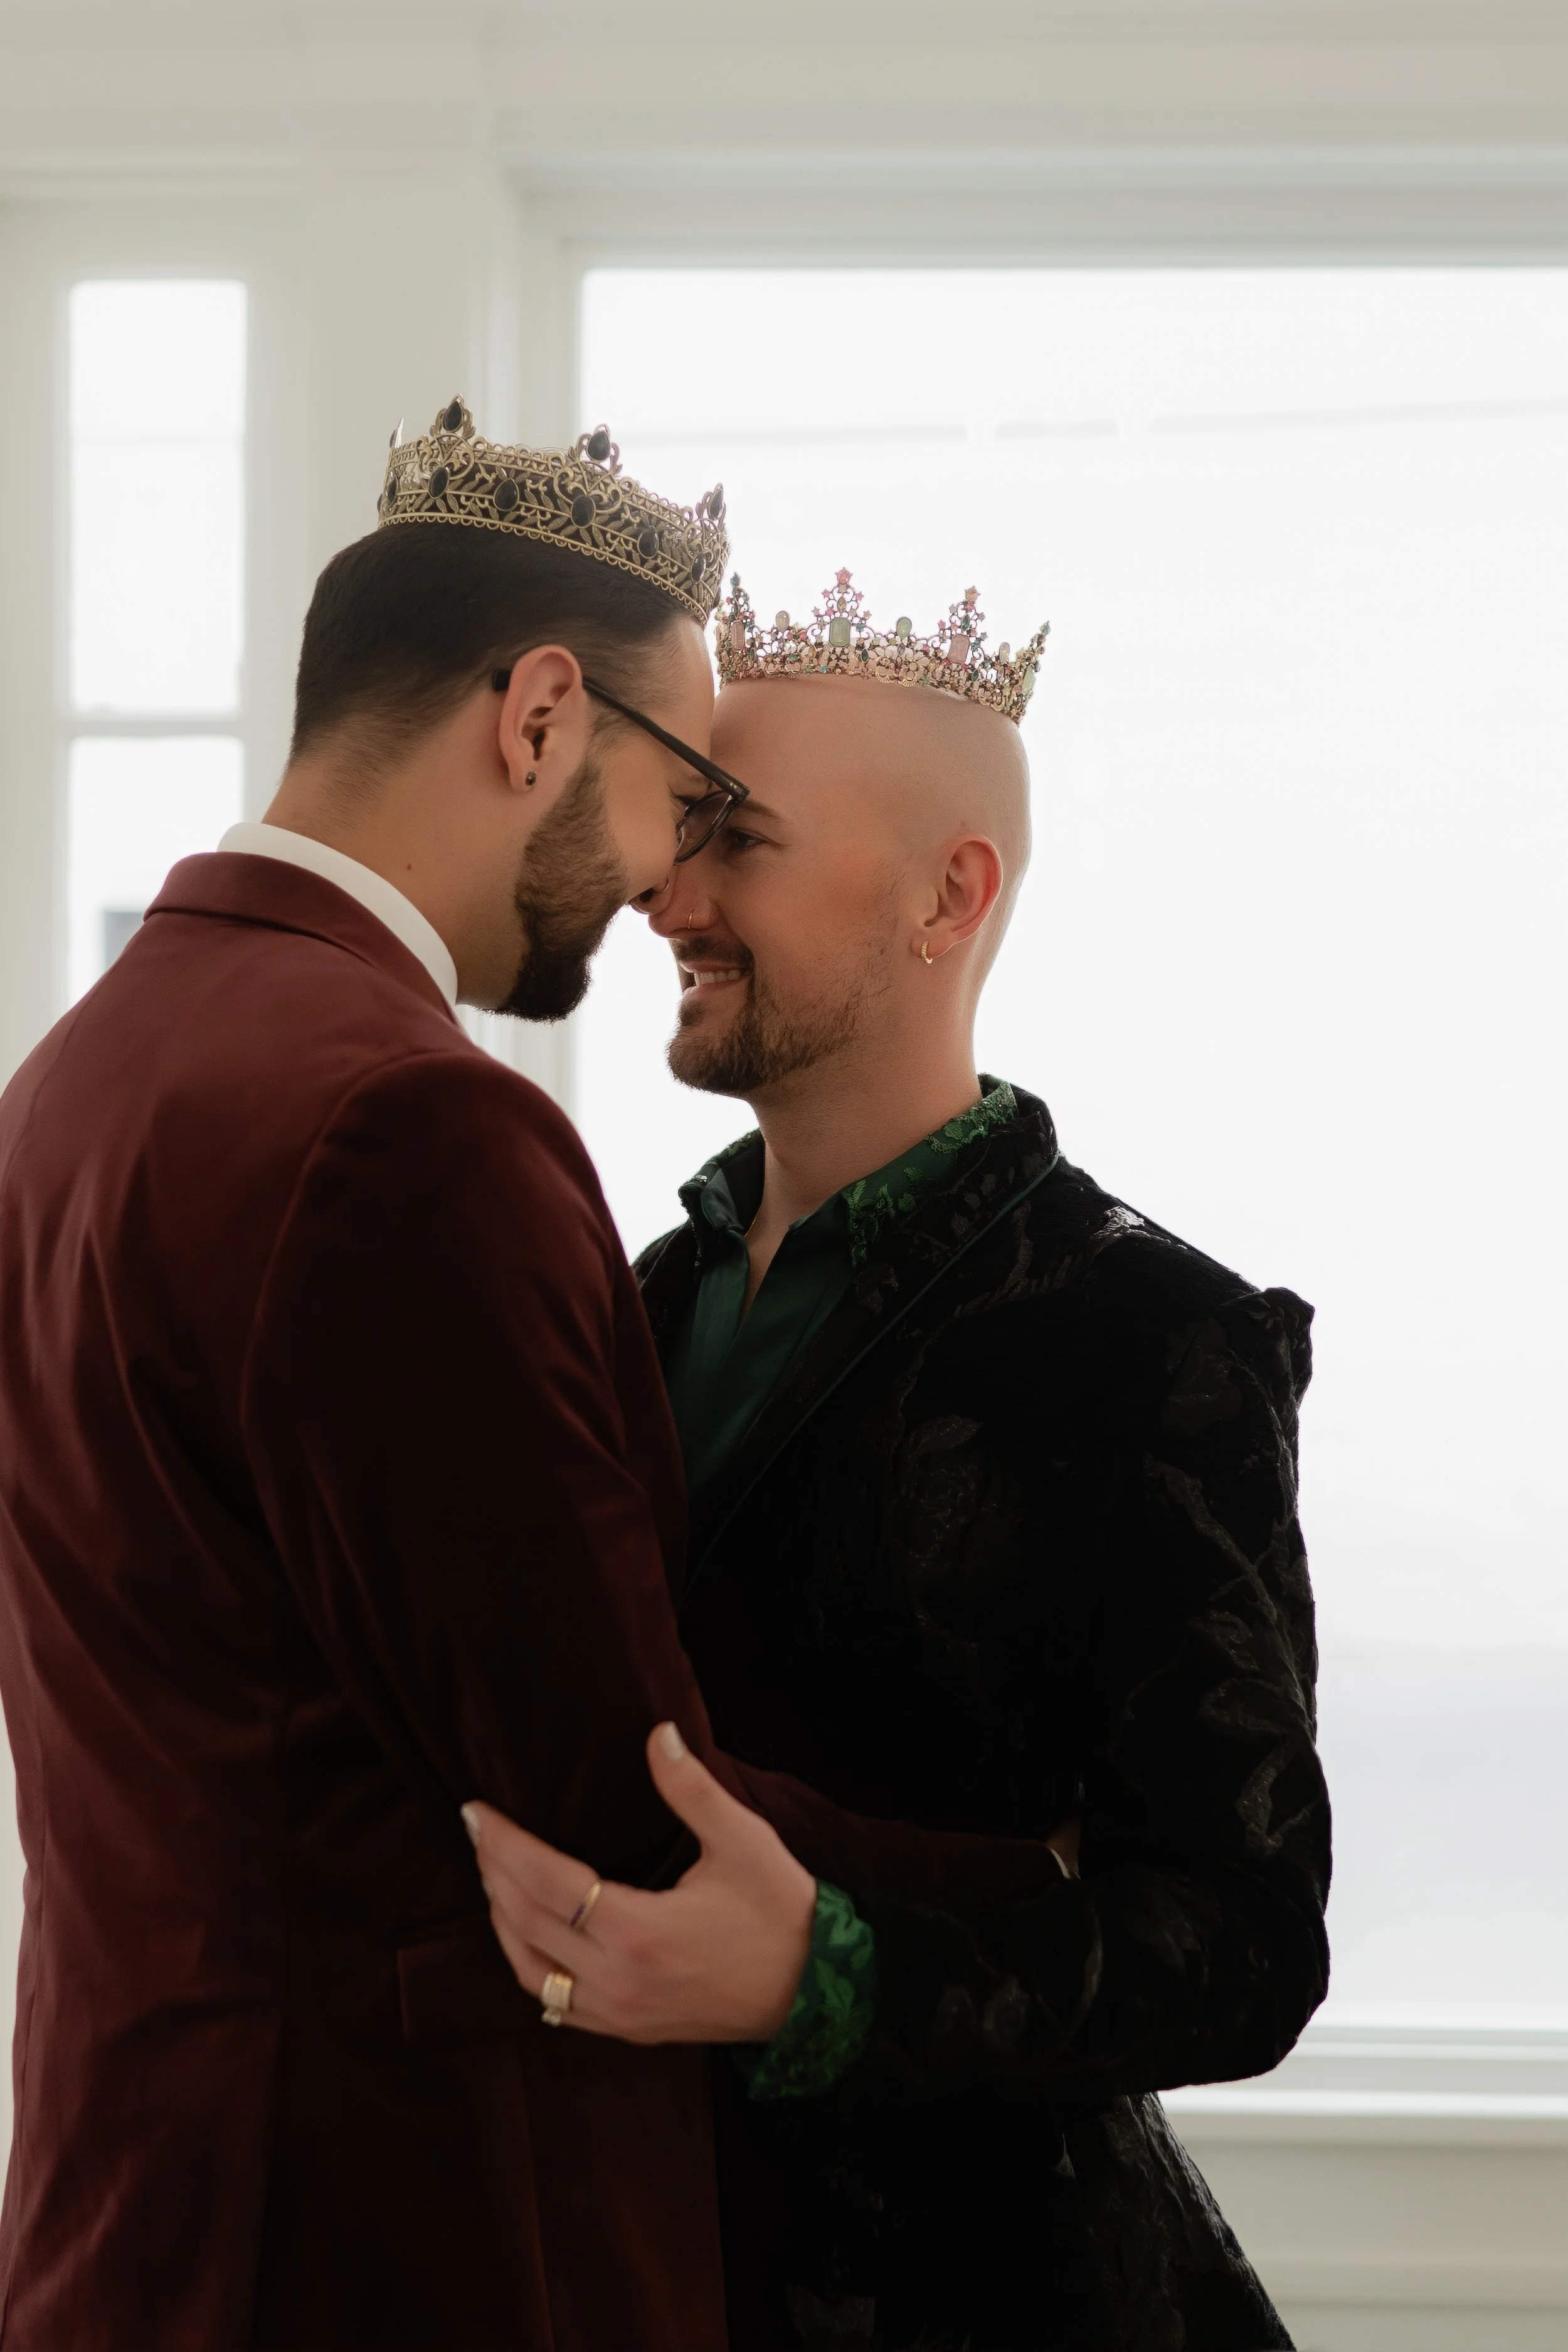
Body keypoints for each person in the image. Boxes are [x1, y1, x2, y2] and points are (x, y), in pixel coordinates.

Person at [0, 418, 1067, 2352]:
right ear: (542, 714)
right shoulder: (406, 1125)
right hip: (398, 2240)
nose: (664, 880)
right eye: (686, 792)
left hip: (124, 2197)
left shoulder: (78, 1072)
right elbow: (615, 1803)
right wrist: (1043, 1875)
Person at [469, 571, 1332, 2351]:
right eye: (680, 831)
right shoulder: (626, 1299)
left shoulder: (1156, 1338)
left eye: (737, 840)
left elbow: (1245, 1941)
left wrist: (829, 1972)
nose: (667, 896)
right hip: (624, 2263)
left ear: (952, 894)